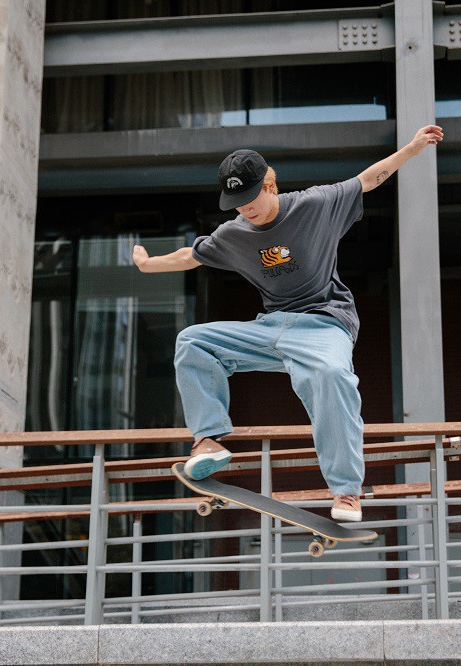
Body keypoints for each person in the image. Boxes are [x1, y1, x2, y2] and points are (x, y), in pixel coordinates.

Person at [133, 124, 443, 521]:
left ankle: (346, 492)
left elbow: (368, 180)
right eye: (237, 204)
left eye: (250, 199)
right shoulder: (233, 233)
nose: (245, 210)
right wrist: (148, 265)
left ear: (270, 186)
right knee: (193, 341)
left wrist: (412, 149)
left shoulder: (315, 205)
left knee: (332, 374)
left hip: (324, 323)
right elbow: (190, 256)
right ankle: (208, 440)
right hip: (271, 327)